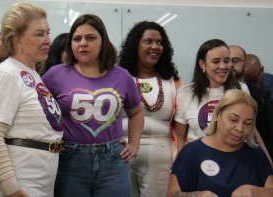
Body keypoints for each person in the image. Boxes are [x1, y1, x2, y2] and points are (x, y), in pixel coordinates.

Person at [43, 14, 144, 197]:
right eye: (77, 38)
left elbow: (136, 112)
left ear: (103, 41)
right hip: (69, 161)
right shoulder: (55, 75)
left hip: (114, 160)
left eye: (90, 38)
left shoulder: (122, 76)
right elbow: (38, 113)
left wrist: (135, 144)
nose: (83, 43)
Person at [0, 2, 63, 197]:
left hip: (39, 180)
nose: (48, 40)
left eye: (48, 32)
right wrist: (12, 190)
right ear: (17, 39)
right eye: (39, 34)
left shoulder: (32, 73)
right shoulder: (7, 73)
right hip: (18, 184)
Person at [166, 90, 273, 197]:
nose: (240, 128)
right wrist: (196, 195)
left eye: (247, 123)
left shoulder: (256, 155)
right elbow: (171, 194)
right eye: (233, 119)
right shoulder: (192, 152)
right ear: (217, 115)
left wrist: (254, 191)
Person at [118, 21, 180, 197]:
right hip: (121, 153)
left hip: (160, 157)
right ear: (134, 45)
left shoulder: (173, 82)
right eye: (148, 41)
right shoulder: (118, 77)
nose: (155, 46)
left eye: (159, 42)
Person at [174, 39, 249, 151]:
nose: (223, 66)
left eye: (227, 61)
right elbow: (180, 138)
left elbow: (250, 129)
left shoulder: (241, 88)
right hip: (196, 160)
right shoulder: (185, 92)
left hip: (234, 158)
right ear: (202, 64)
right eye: (216, 61)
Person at [229, 45, 273, 162]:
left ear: (245, 64)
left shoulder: (260, 96)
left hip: (253, 156)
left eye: (235, 60)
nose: (229, 65)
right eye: (227, 60)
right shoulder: (214, 91)